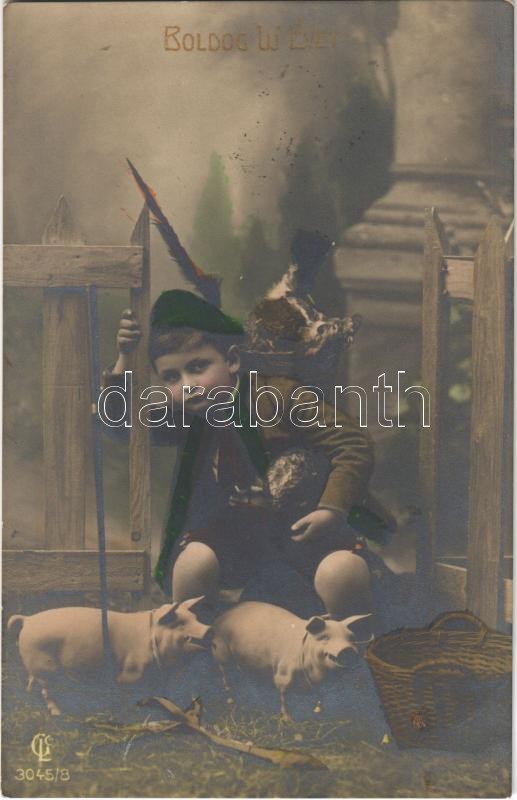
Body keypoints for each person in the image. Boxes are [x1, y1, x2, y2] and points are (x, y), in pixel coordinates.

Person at [101, 289, 389, 621]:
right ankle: (194, 640)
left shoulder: (279, 396)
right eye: (172, 377)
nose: (188, 385)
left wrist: (331, 509)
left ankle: (348, 640)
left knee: (340, 573)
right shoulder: (189, 416)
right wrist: (125, 357)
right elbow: (121, 425)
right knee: (193, 562)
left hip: (303, 528)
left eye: (198, 367)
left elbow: (352, 443)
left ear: (233, 361)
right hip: (239, 536)